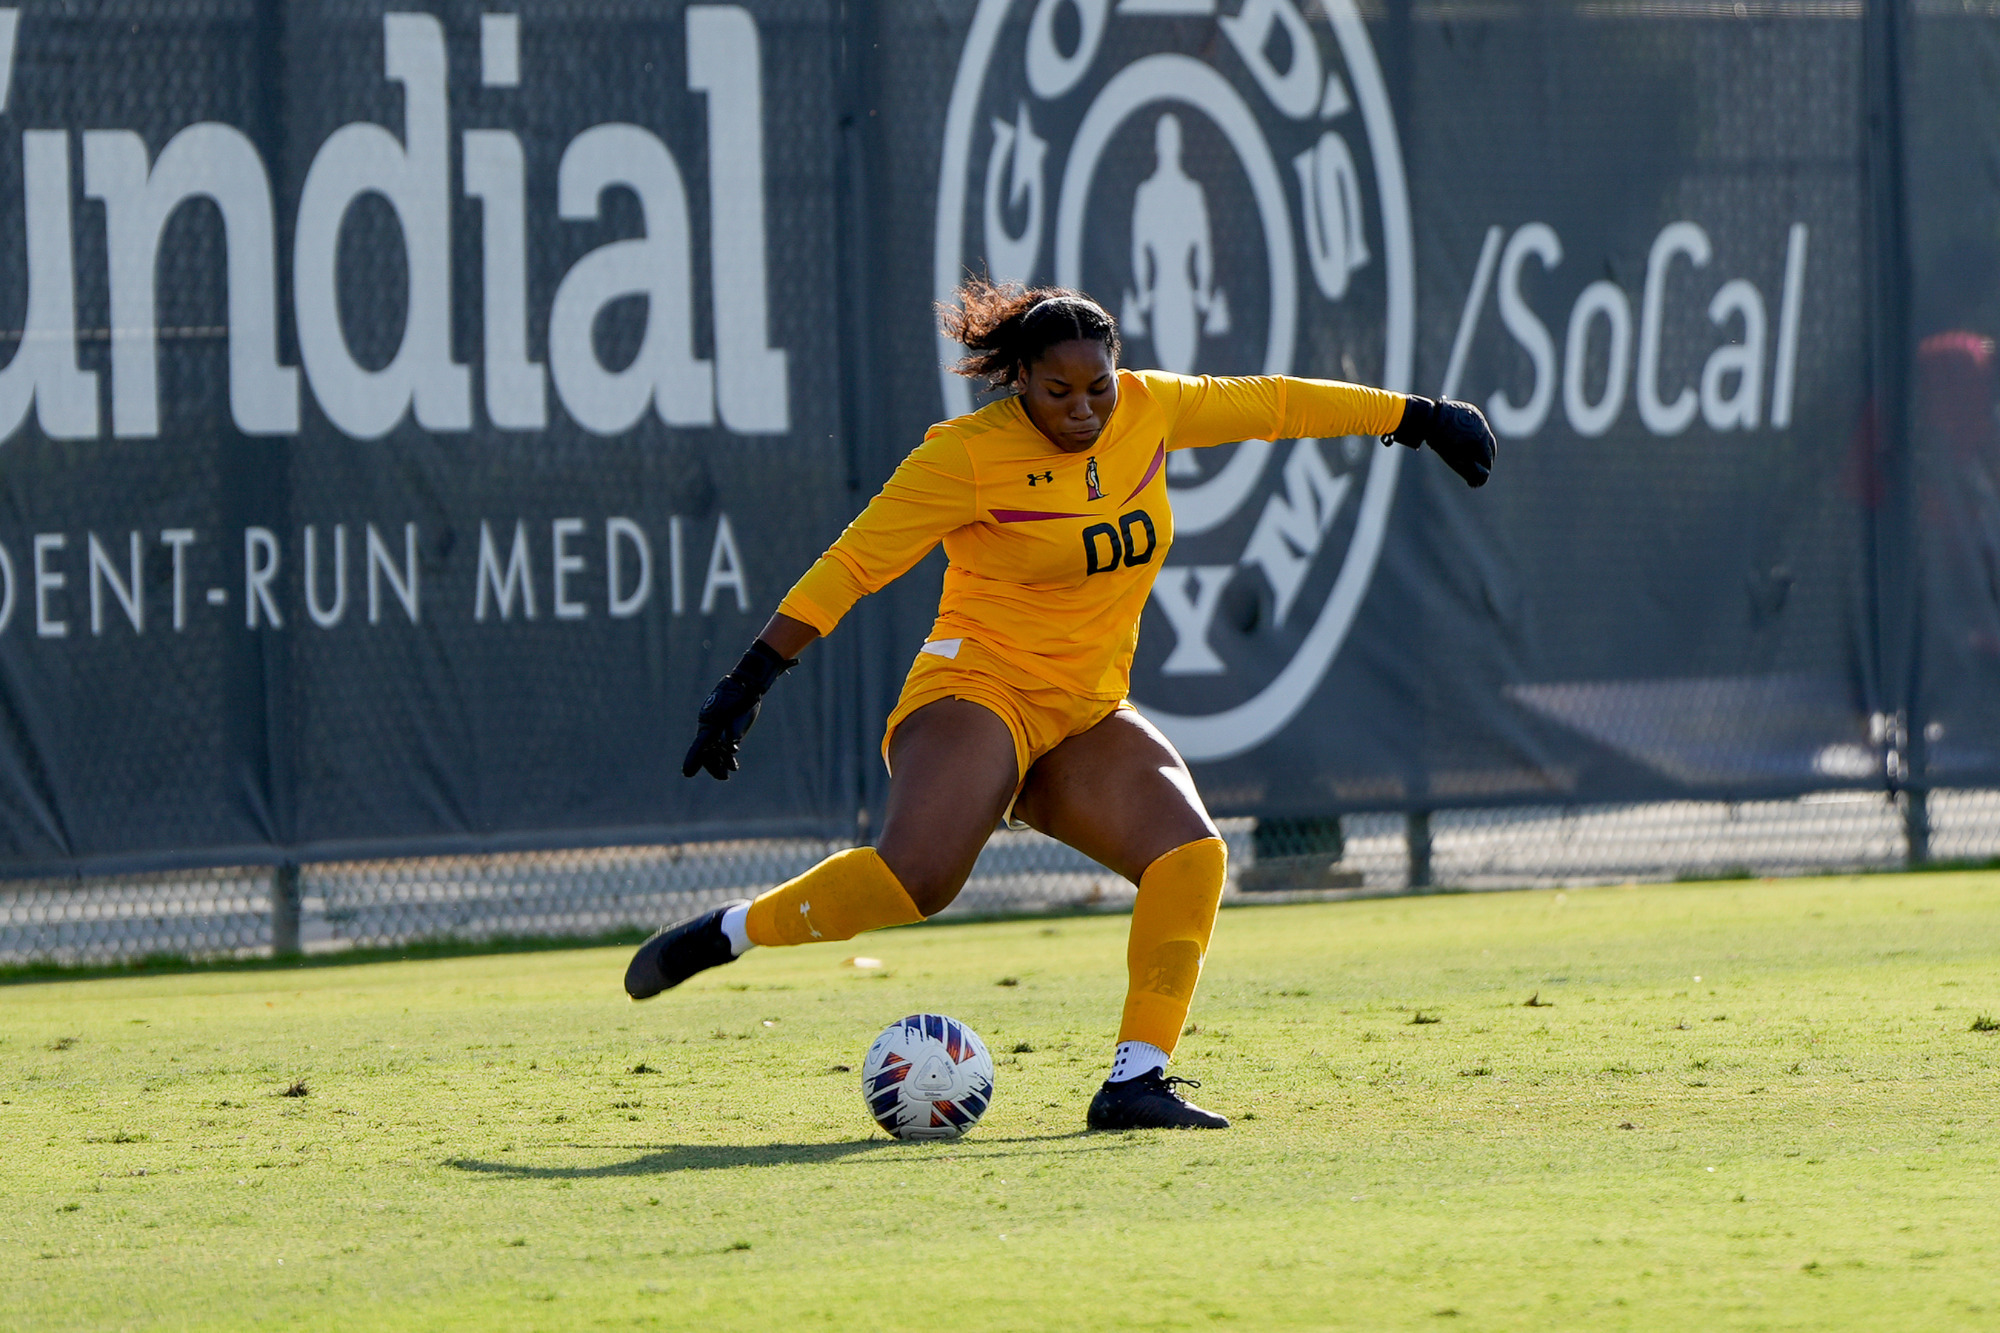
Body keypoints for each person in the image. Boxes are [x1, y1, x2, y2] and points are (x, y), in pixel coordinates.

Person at [625, 279, 1495, 1130]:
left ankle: (1135, 1080)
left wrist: (1416, 416)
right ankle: (733, 930)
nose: (1083, 409)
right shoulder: (966, 455)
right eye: (1058, 391)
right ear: (1020, 381)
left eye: (1098, 387)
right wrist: (751, 678)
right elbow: (852, 564)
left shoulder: (1151, 409)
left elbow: (1276, 402)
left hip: (1083, 709)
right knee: (918, 881)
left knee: (1190, 855)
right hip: (977, 687)